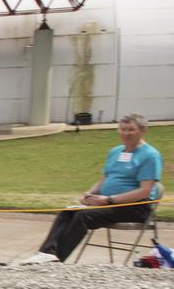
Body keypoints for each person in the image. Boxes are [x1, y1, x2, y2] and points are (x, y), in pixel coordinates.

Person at [20, 113, 162, 264]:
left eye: (131, 129)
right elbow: (103, 179)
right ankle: (46, 253)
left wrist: (108, 200)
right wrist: (90, 194)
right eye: (123, 129)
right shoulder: (115, 151)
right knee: (68, 212)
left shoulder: (150, 155)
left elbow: (145, 191)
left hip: (134, 206)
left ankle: (58, 259)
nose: (126, 133)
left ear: (142, 130)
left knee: (84, 215)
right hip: (111, 203)